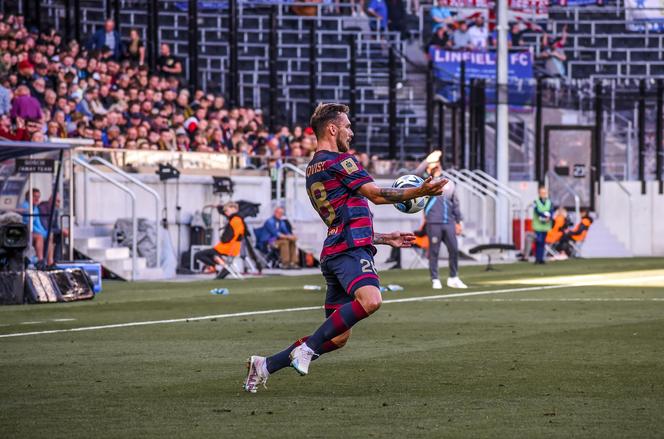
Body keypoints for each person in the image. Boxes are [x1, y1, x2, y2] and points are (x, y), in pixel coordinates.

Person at [244, 103, 447, 393]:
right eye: (348, 126)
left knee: (339, 338)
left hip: (338, 248)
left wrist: (383, 237)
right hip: (350, 251)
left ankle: (264, 365)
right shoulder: (340, 161)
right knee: (371, 300)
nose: (351, 133)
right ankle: (307, 349)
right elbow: (376, 195)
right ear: (332, 128)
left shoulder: (313, 168)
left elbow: (343, 218)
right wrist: (421, 191)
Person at [423, 164, 466, 289]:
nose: (436, 167)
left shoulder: (450, 183)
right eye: (433, 165)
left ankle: (453, 277)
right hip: (433, 222)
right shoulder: (426, 184)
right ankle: (435, 279)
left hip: (449, 222)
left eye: (438, 165)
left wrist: (459, 222)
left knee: (454, 249)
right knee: (434, 252)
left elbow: (456, 203)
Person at [193, 202, 245, 279]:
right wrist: (219, 207)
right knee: (219, 277)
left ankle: (217, 266)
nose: (226, 213)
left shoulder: (234, 221)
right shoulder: (239, 219)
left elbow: (226, 238)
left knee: (198, 255)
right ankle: (220, 265)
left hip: (225, 248)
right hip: (233, 248)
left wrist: (222, 236)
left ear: (233, 209)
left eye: (227, 211)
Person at [20, 188, 48, 264]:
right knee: (39, 237)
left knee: (50, 236)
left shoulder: (35, 208)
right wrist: (42, 233)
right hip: (23, 231)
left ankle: (49, 261)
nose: (37, 199)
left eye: (38, 197)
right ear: (29, 197)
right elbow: (28, 223)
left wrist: (45, 233)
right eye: (35, 197)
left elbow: (38, 223)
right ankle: (40, 260)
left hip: (31, 231)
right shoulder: (25, 207)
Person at [532, 186, 553, 264]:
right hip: (538, 226)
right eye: (542, 192)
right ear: (539, 193)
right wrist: (544, 216)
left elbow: (551, 211)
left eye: (545, 192)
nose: (543, 194)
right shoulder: (536, 202)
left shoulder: (549, 202)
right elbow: (537, 211)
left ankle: (541, 259)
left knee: (543, 242)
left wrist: (549, 216)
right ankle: (538, 258)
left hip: (546, 226)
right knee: (539, 241)